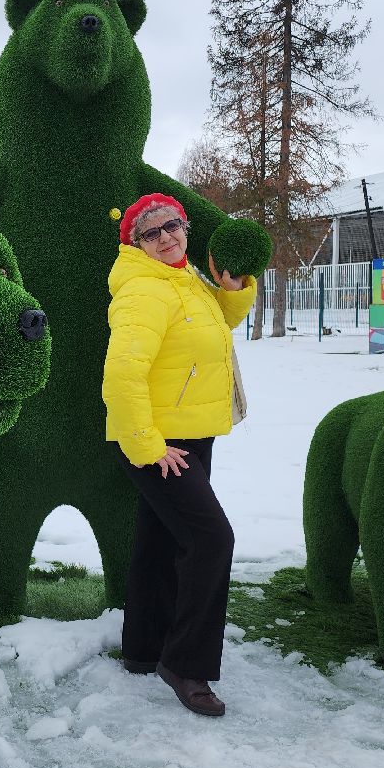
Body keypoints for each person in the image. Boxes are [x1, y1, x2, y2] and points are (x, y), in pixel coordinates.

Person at [102, 193, 257, 717]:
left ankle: (143, 648)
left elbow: (214, 329)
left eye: (174, 226)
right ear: (136, 243)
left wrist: (231, 292)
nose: (168, 237)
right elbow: (122, 376)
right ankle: (186, 665)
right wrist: (147, 447)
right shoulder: (143, 290)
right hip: (158, 441)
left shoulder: (186, 280)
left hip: (189, 433)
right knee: (212, 539)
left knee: (160, 539)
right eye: (153, 232)